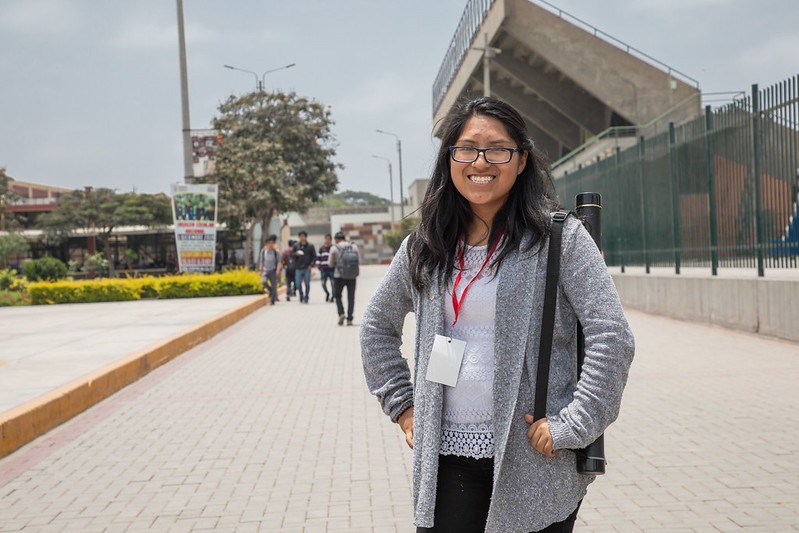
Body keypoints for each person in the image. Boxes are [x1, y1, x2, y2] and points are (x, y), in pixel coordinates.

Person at [359, 97, 635, 532]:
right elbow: (376, 326)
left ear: (521, 160)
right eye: (466, 148)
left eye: (498, 149)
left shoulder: (559, 237)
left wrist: (577, 422)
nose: (480, 162)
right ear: (449, 158)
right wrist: (404, 407)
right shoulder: (426, 245)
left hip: (534, 459)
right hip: (445, 458)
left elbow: (611, 335)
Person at [328, 231, 359, 326]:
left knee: (337, 296)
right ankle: (349, 318)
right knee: (351, 297)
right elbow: (358, 261)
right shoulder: (353, 246)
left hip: (339, 276)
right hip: (352, 276)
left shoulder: (334, 248)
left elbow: (330, 264)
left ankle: (341, 313)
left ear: (336, 239)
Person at [291, 231, 317, 304]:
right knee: (298, 283)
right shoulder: (296, 246)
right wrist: (296, 254)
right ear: (299, 237)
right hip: (298, 268)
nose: (302, 238)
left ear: (306, 237)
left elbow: (314, 256)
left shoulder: (310, 246)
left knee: (307, 283)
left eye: (303, 236)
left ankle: (306, 297)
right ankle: (301, 295)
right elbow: (292, 255)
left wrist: (311, 264)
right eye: (300, 236)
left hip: (306, 268)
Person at [258, 234, 282, 305]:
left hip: (273, 270)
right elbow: (261, 261)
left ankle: (272, 299)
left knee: (273, 285)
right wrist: (260, 270)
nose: (270, 245)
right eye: (269, 243)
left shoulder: (275, 252)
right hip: (265, 270)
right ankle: (270, 290)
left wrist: (278, 270)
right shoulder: (263, 251)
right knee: (264, 281)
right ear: (266, 244)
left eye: (271, 243)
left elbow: (279, 262)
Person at [316, 233, 335, 302]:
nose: (327, 240)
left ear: (331, 240)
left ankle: (333, 296)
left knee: (333, 284)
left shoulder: (333, 248)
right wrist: (318, 266)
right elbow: (318, 258)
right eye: (326, 239)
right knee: (323, 283)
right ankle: (327, 293)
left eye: (328, 239)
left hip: (332, 269)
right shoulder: (321, 248)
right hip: (323, 269)